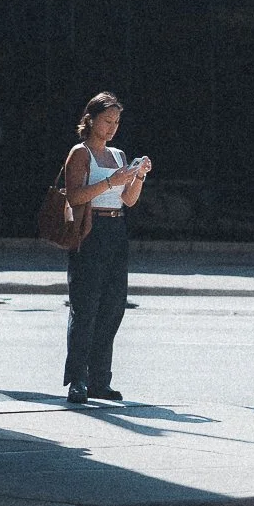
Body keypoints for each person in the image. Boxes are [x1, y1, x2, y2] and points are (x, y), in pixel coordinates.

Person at [62, 91, 150, 405]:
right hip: (90, 229)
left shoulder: (118, 155)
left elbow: (128, 199)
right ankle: (77, 381)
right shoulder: (81, 152)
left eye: (116, 122)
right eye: (107, 120)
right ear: (91, 119)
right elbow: (75, 197)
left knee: (113, 308)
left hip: (115, 229)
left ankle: (100, 380)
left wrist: (137, 175)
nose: (112, 127)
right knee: (85, 308)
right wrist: (112, 181)